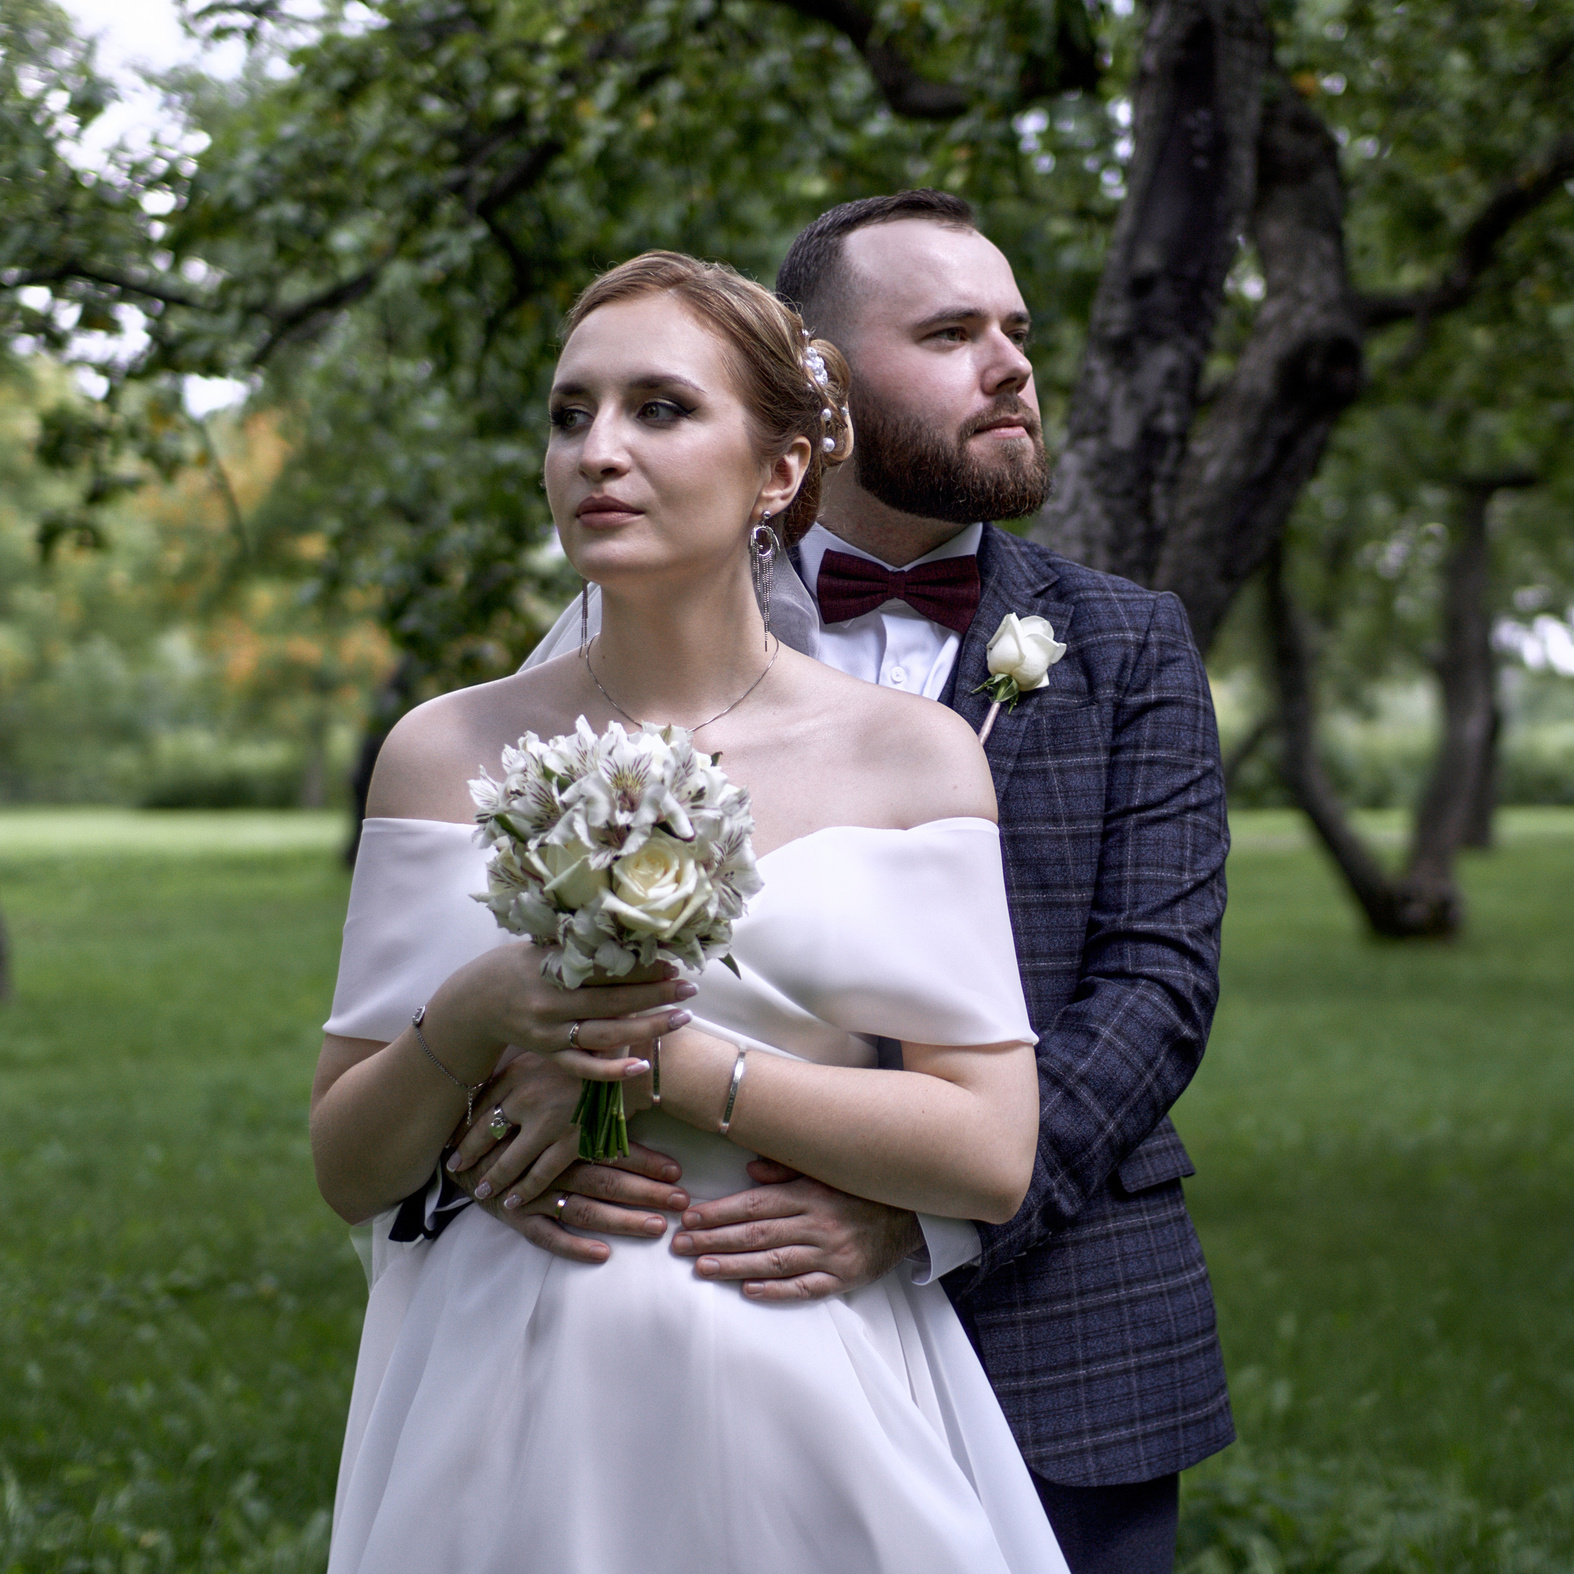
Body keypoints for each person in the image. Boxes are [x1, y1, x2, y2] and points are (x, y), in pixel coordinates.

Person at [442, 191, 1235, 1574]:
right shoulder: (630, 625)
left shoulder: (1127, 642)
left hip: (1062, 1341)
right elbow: (496, 943)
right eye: (947, 331)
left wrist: (922, 1210)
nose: (1010, 367)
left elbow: (1153, 987)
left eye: (1015, 331)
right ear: (818, 385)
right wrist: (510, 1146)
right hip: (701, 1331)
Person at [313, 250, 1071, 1572]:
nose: (596, 451)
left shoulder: (911, 756)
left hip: (802, 1387)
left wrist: (668, 1063)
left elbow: (988, 1150)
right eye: (569, 413)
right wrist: (475, 1014)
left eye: (658, 408)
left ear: (780, 469)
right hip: (495, 1398)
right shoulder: (439, 751)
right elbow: (347, 1166)